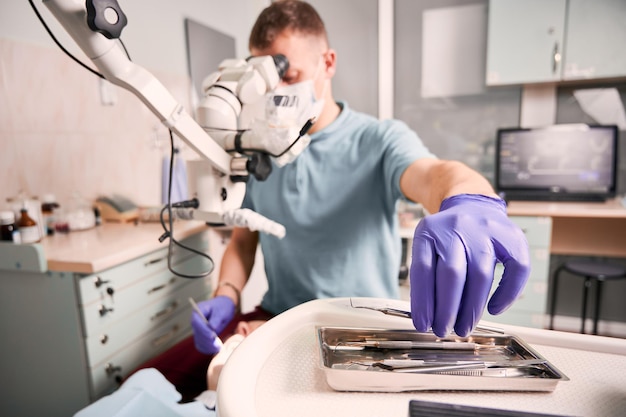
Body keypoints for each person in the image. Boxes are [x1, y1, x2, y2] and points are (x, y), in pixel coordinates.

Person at [141, 0, 530, 399]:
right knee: (149, 382)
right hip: (277, 317)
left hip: (359, 326)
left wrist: (469, 200)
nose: (277, 94)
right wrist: (227, 294)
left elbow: (433, 174)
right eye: (266, 82)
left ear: (327, 63)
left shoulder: (377, 140)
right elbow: (243, 240)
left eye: (288, 75)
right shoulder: (258, 151)